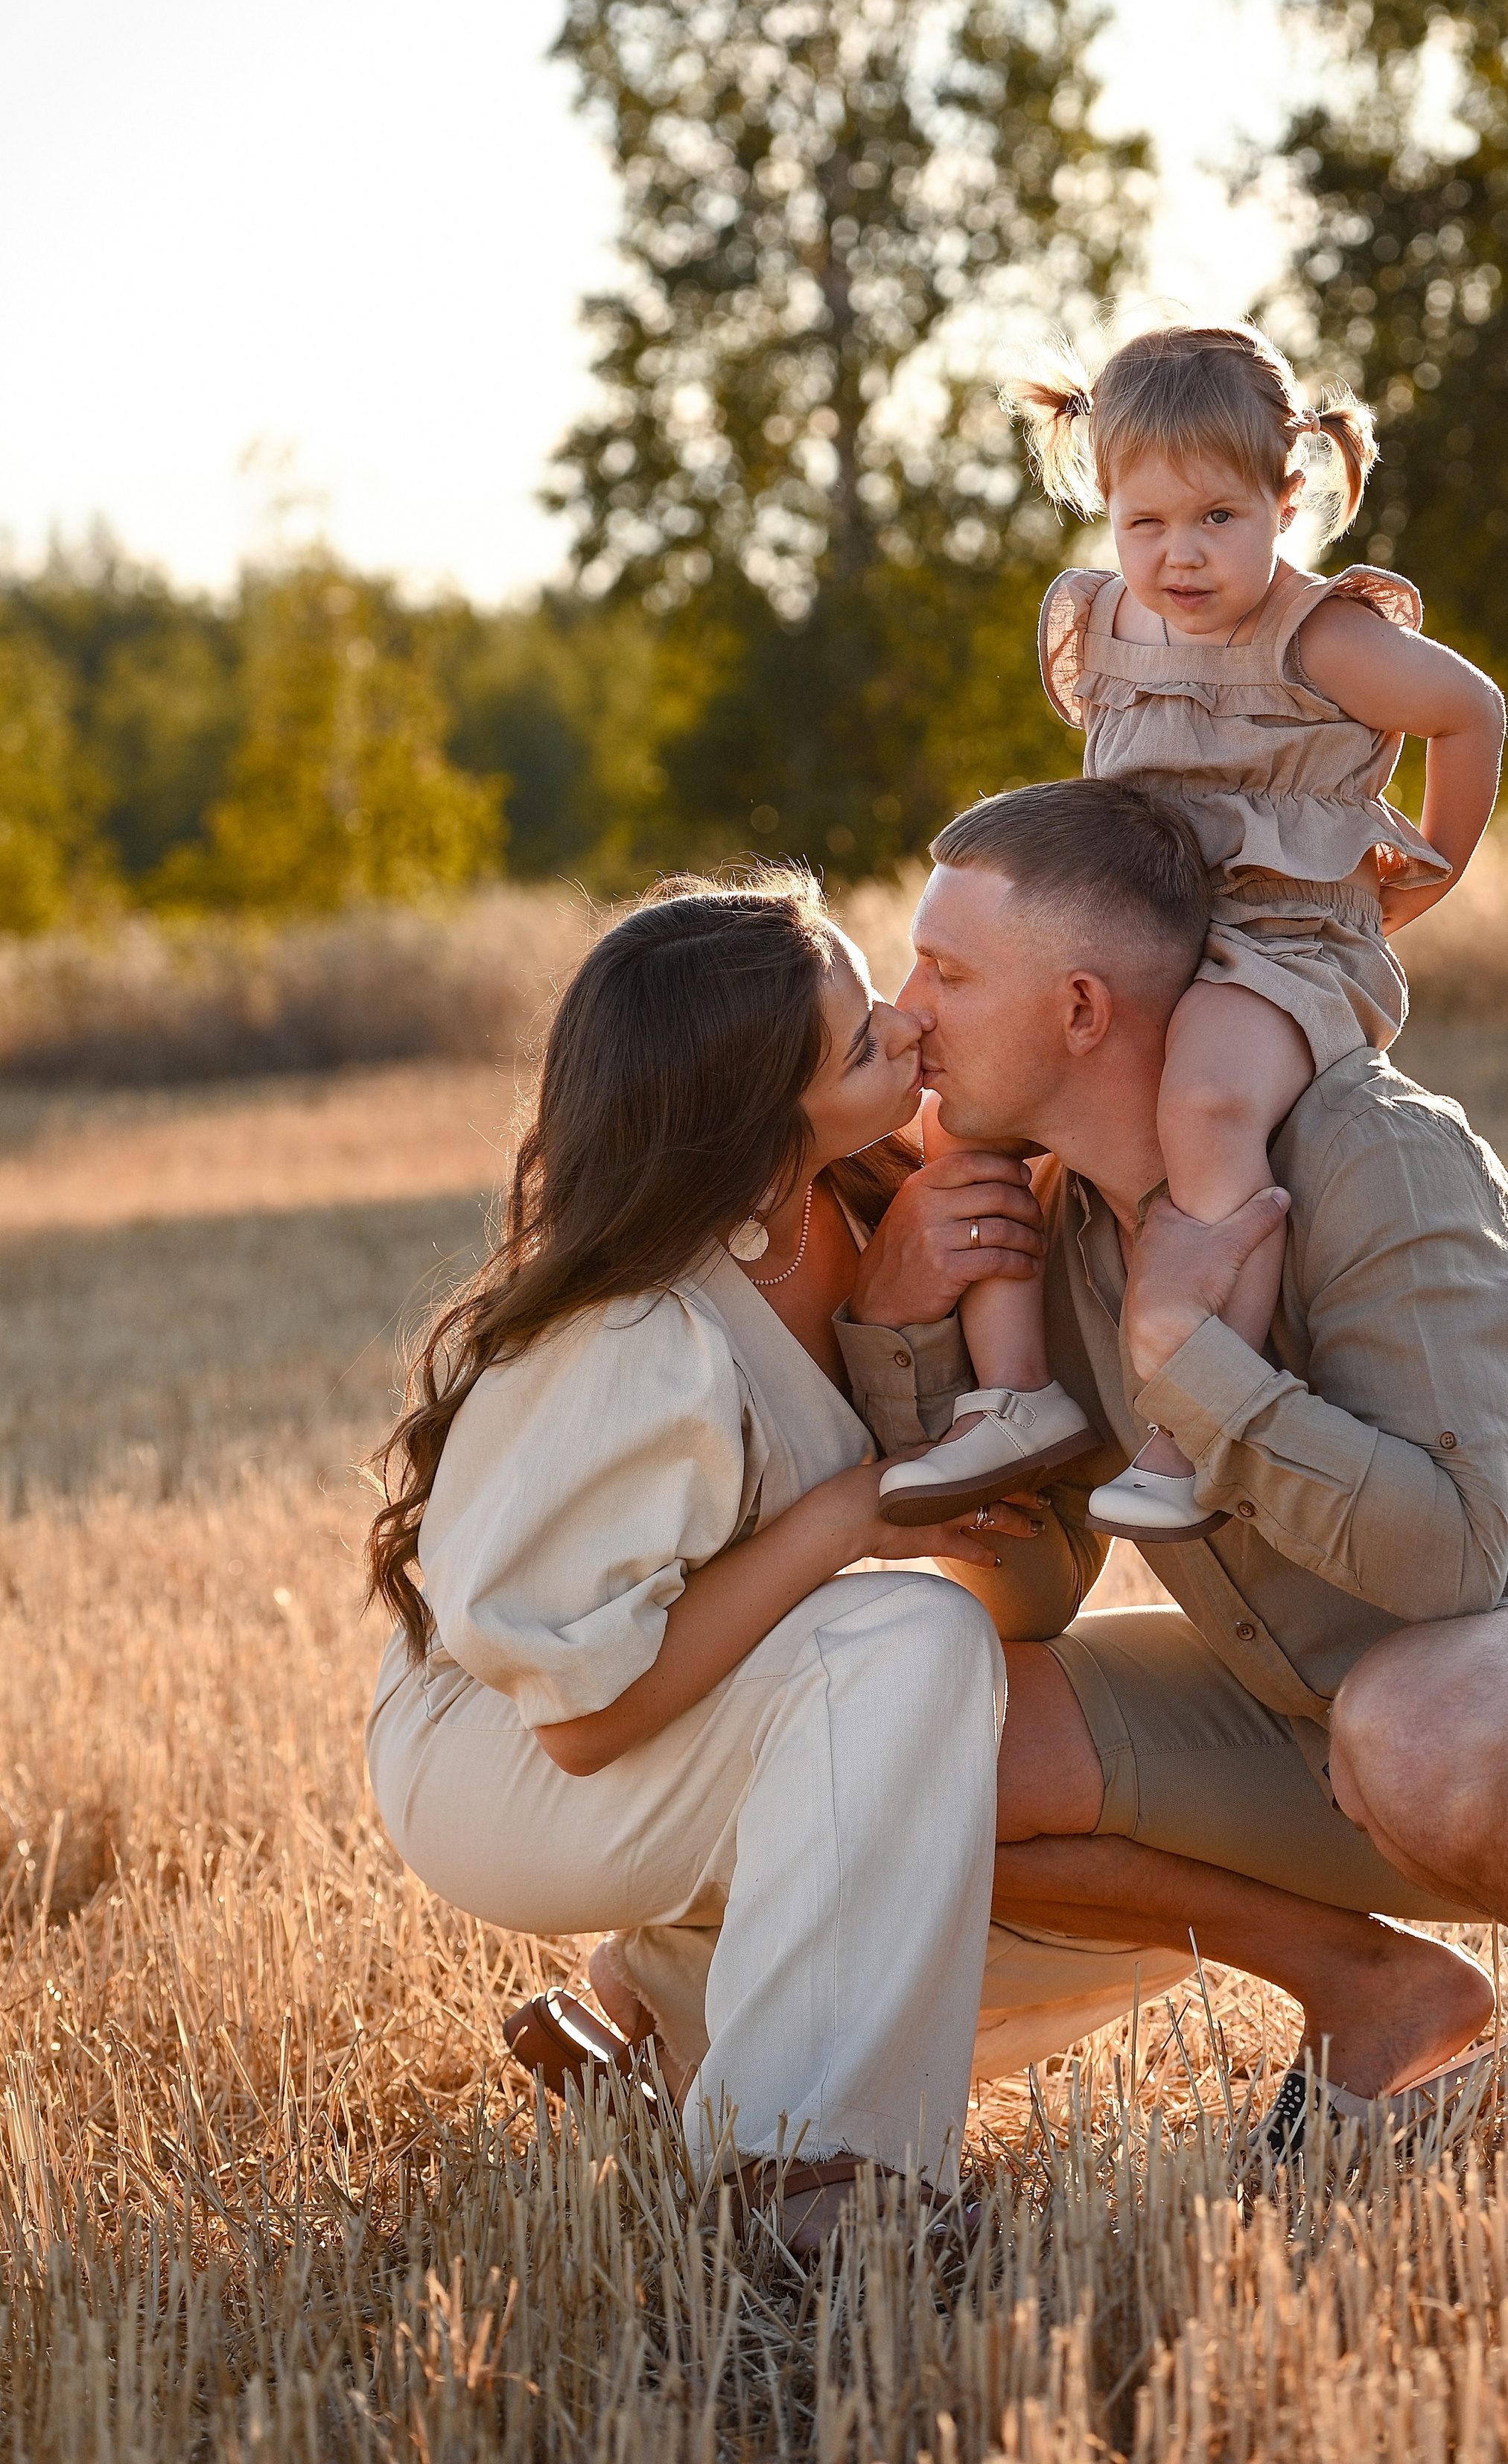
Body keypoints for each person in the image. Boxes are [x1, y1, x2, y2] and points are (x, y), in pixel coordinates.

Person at [841, 779, 1508, 2130]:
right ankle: (1373, 1991)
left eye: (944, 970)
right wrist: (901, 1337)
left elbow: (1441, 1564)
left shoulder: (1374, 1153)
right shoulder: (1057, 1224)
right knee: (918, 1743)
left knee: (1424, 1719)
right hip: (1329, 1721)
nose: (906, 1013)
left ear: (1079, 1011)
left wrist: (1190, 1356)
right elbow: (1034, 1590)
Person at [363, 872, 1069, 2254]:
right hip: (509, 1752)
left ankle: (666, 2034)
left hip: (686, 1688)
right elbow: (584, 1719)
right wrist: (846, 1520)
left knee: (972, 1708)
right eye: (863, 1043)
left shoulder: (858, 1199)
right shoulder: (637, 1339)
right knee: (911, 1645)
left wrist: (895, 1321)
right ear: (756, 1145)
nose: (906, 1031)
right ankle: (800, 2179)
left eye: (874, 998)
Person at [877, 321, 1505, 1544]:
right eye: (1144, 524)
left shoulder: (1320, 637)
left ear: (1289, 495)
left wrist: (1434, 868)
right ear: (1104, 507)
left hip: (1276, 943)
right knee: (965, 1102)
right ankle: (1014, 1393)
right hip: (1146, 929)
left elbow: (1469, 709)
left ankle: (1198, 1417)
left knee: (1206, 1107)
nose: (1179, 556)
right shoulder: (1102, 626)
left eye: (1218, 518)